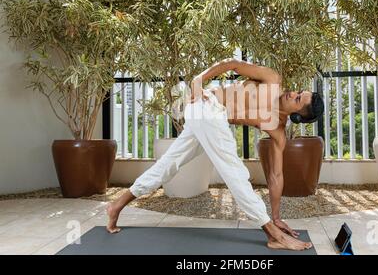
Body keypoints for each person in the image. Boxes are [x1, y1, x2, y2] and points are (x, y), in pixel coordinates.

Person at [106, 58, 324, 251]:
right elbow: (233, 64)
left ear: (296, 117)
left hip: (209, 119)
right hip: (206, 106)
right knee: (235, 173)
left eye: (297, 99)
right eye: (298, 92)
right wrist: (198, 80)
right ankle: (273, 235)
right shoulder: (272, 80)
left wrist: (277, 216)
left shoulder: (277, 130)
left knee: (169, 165)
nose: (292, 93)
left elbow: (276, 176)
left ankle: (117, 205)